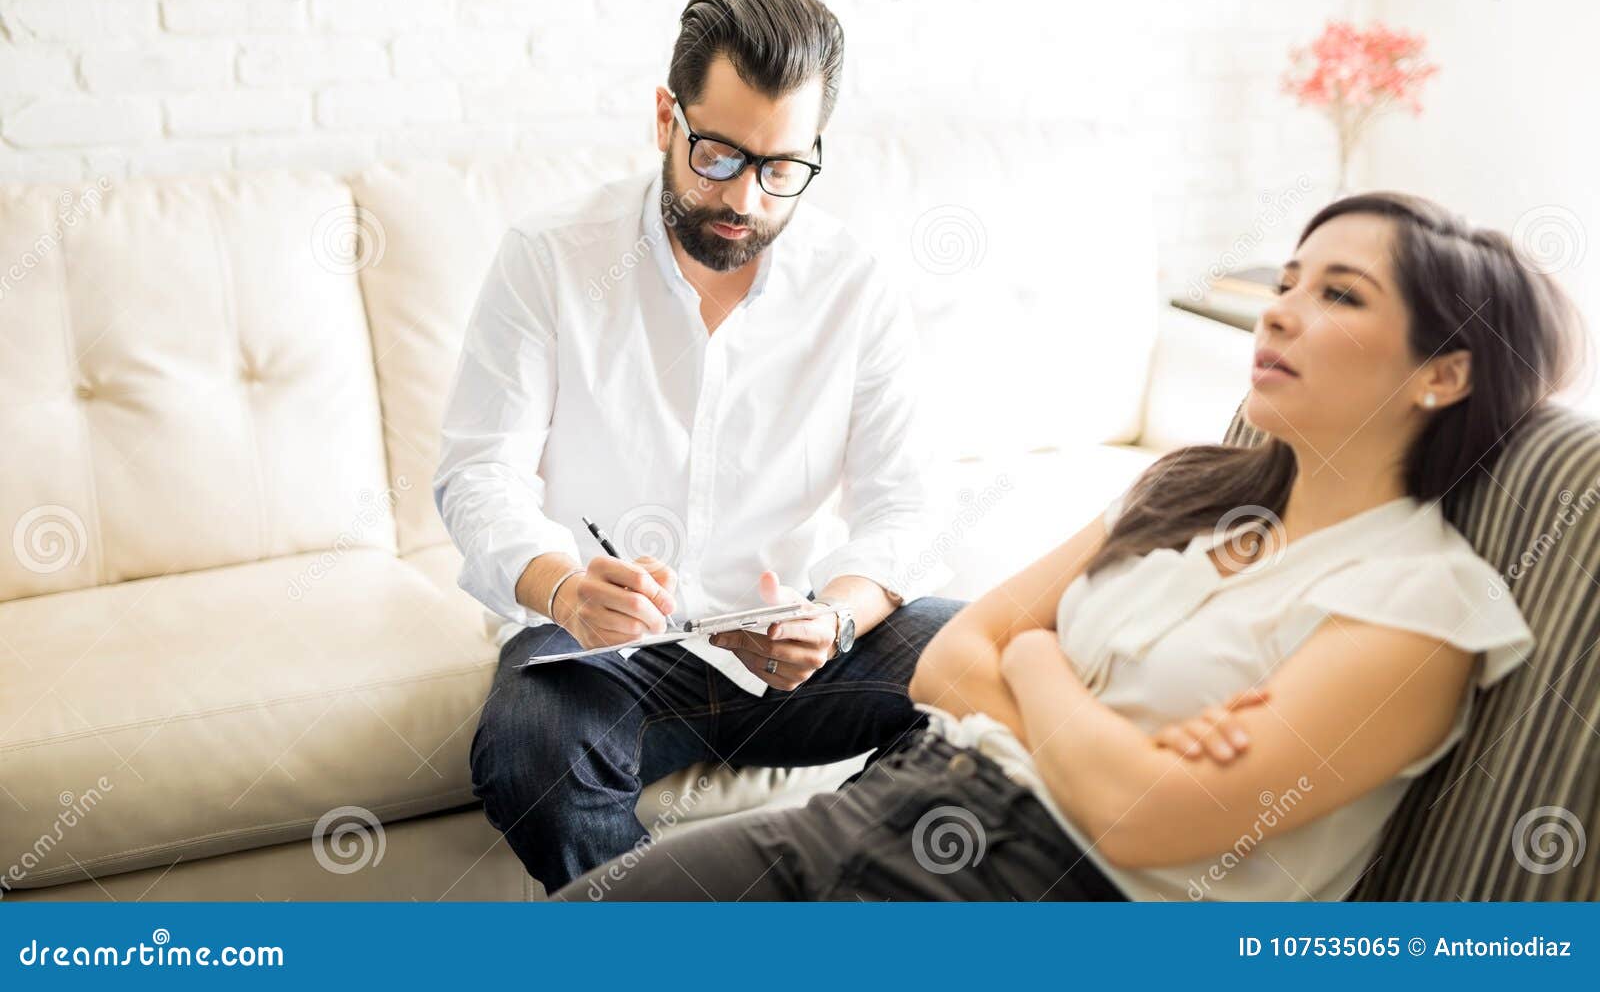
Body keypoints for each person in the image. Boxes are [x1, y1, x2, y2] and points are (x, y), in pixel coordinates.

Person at [554, 190, 1583, 901]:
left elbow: (1140, 824)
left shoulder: (1420, 606)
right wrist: (1100, 738)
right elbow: (948, 660)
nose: (1280, 307)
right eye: (1292, 277)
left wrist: (1036, 657)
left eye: (1340, 294)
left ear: (1440, 375)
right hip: (902, 802)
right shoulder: (1187, 486)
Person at [433, 0, 968, 891]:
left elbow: (908, 501)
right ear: (664, 119)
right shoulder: (551, 256)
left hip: (792, 652)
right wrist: (563, 589)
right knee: (530, 750)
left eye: (782, 169)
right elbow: (479, 473)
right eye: (718, 155)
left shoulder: (853, 281)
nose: (747, 200)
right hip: (609, 654)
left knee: (985, 671)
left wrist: (834, 615)